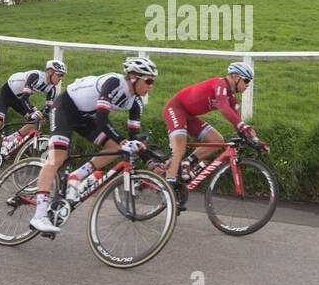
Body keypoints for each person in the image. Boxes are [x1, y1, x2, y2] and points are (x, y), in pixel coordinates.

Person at [27, 57, 156, 235]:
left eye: (153, 82)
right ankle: (39, 216)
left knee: (114, 149)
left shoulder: (136, 102)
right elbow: (102, 118)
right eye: (148, 80)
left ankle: (75, 177)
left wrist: (150, 162)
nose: (151, 86)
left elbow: (134, 137)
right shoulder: (113, 83)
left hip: (84, 116)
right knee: (57, 158)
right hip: (65, 107)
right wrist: (123, 141)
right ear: (134, 76)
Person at [160, 61, 262, 209]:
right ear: (234, 76)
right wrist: (242, 126)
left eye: (249, 82)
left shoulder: (233, 98)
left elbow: (237, 121)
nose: (247, 85)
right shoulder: (220, 83)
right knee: (179, 147)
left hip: (189, 115)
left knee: (217, 140)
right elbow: (225, 110)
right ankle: (168, 192)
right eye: (246, 80)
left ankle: (186, 163)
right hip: (176, 108)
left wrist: (255, 139)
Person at [0, 60, 66, 177]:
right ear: (49, 72)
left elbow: (47, 110)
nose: (61, 78)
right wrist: (33, 110)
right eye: (59, 74)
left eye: (62, 75)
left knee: (41, 120)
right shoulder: (35, 76)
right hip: (6, 94)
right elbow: (24, 98)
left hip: (18, 99)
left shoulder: (51, 89)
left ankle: (10, 139)